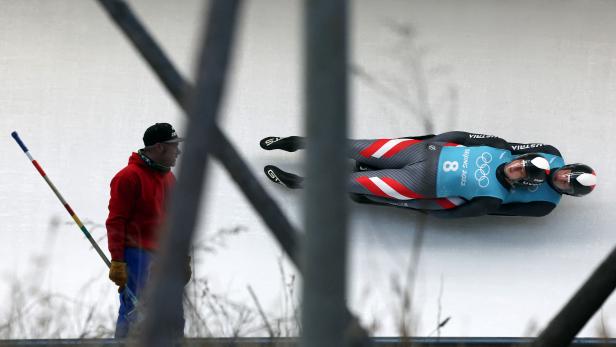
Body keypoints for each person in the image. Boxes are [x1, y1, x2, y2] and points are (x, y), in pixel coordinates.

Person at [260, 131, 596, 218]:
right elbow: (466, 136)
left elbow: (485, 210)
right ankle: (294, 142)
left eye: (567, 183)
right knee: (351, 146)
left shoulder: (498, 194)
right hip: (420, 153)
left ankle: (295, 182)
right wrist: (431, 142)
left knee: (347, 183)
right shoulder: (499, 150)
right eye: (568, 174)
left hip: (419, 184)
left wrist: (427, 207)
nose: (517, 166)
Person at [106, 122, 189, 338]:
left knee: (173, 314)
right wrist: (117, 261)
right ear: (159, 147)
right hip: (137, 256)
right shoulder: (127, 177)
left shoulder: (170, 179)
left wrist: (183, 258)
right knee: (134, 313)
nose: (178, 152)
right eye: (174, 146)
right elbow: (116, 221)